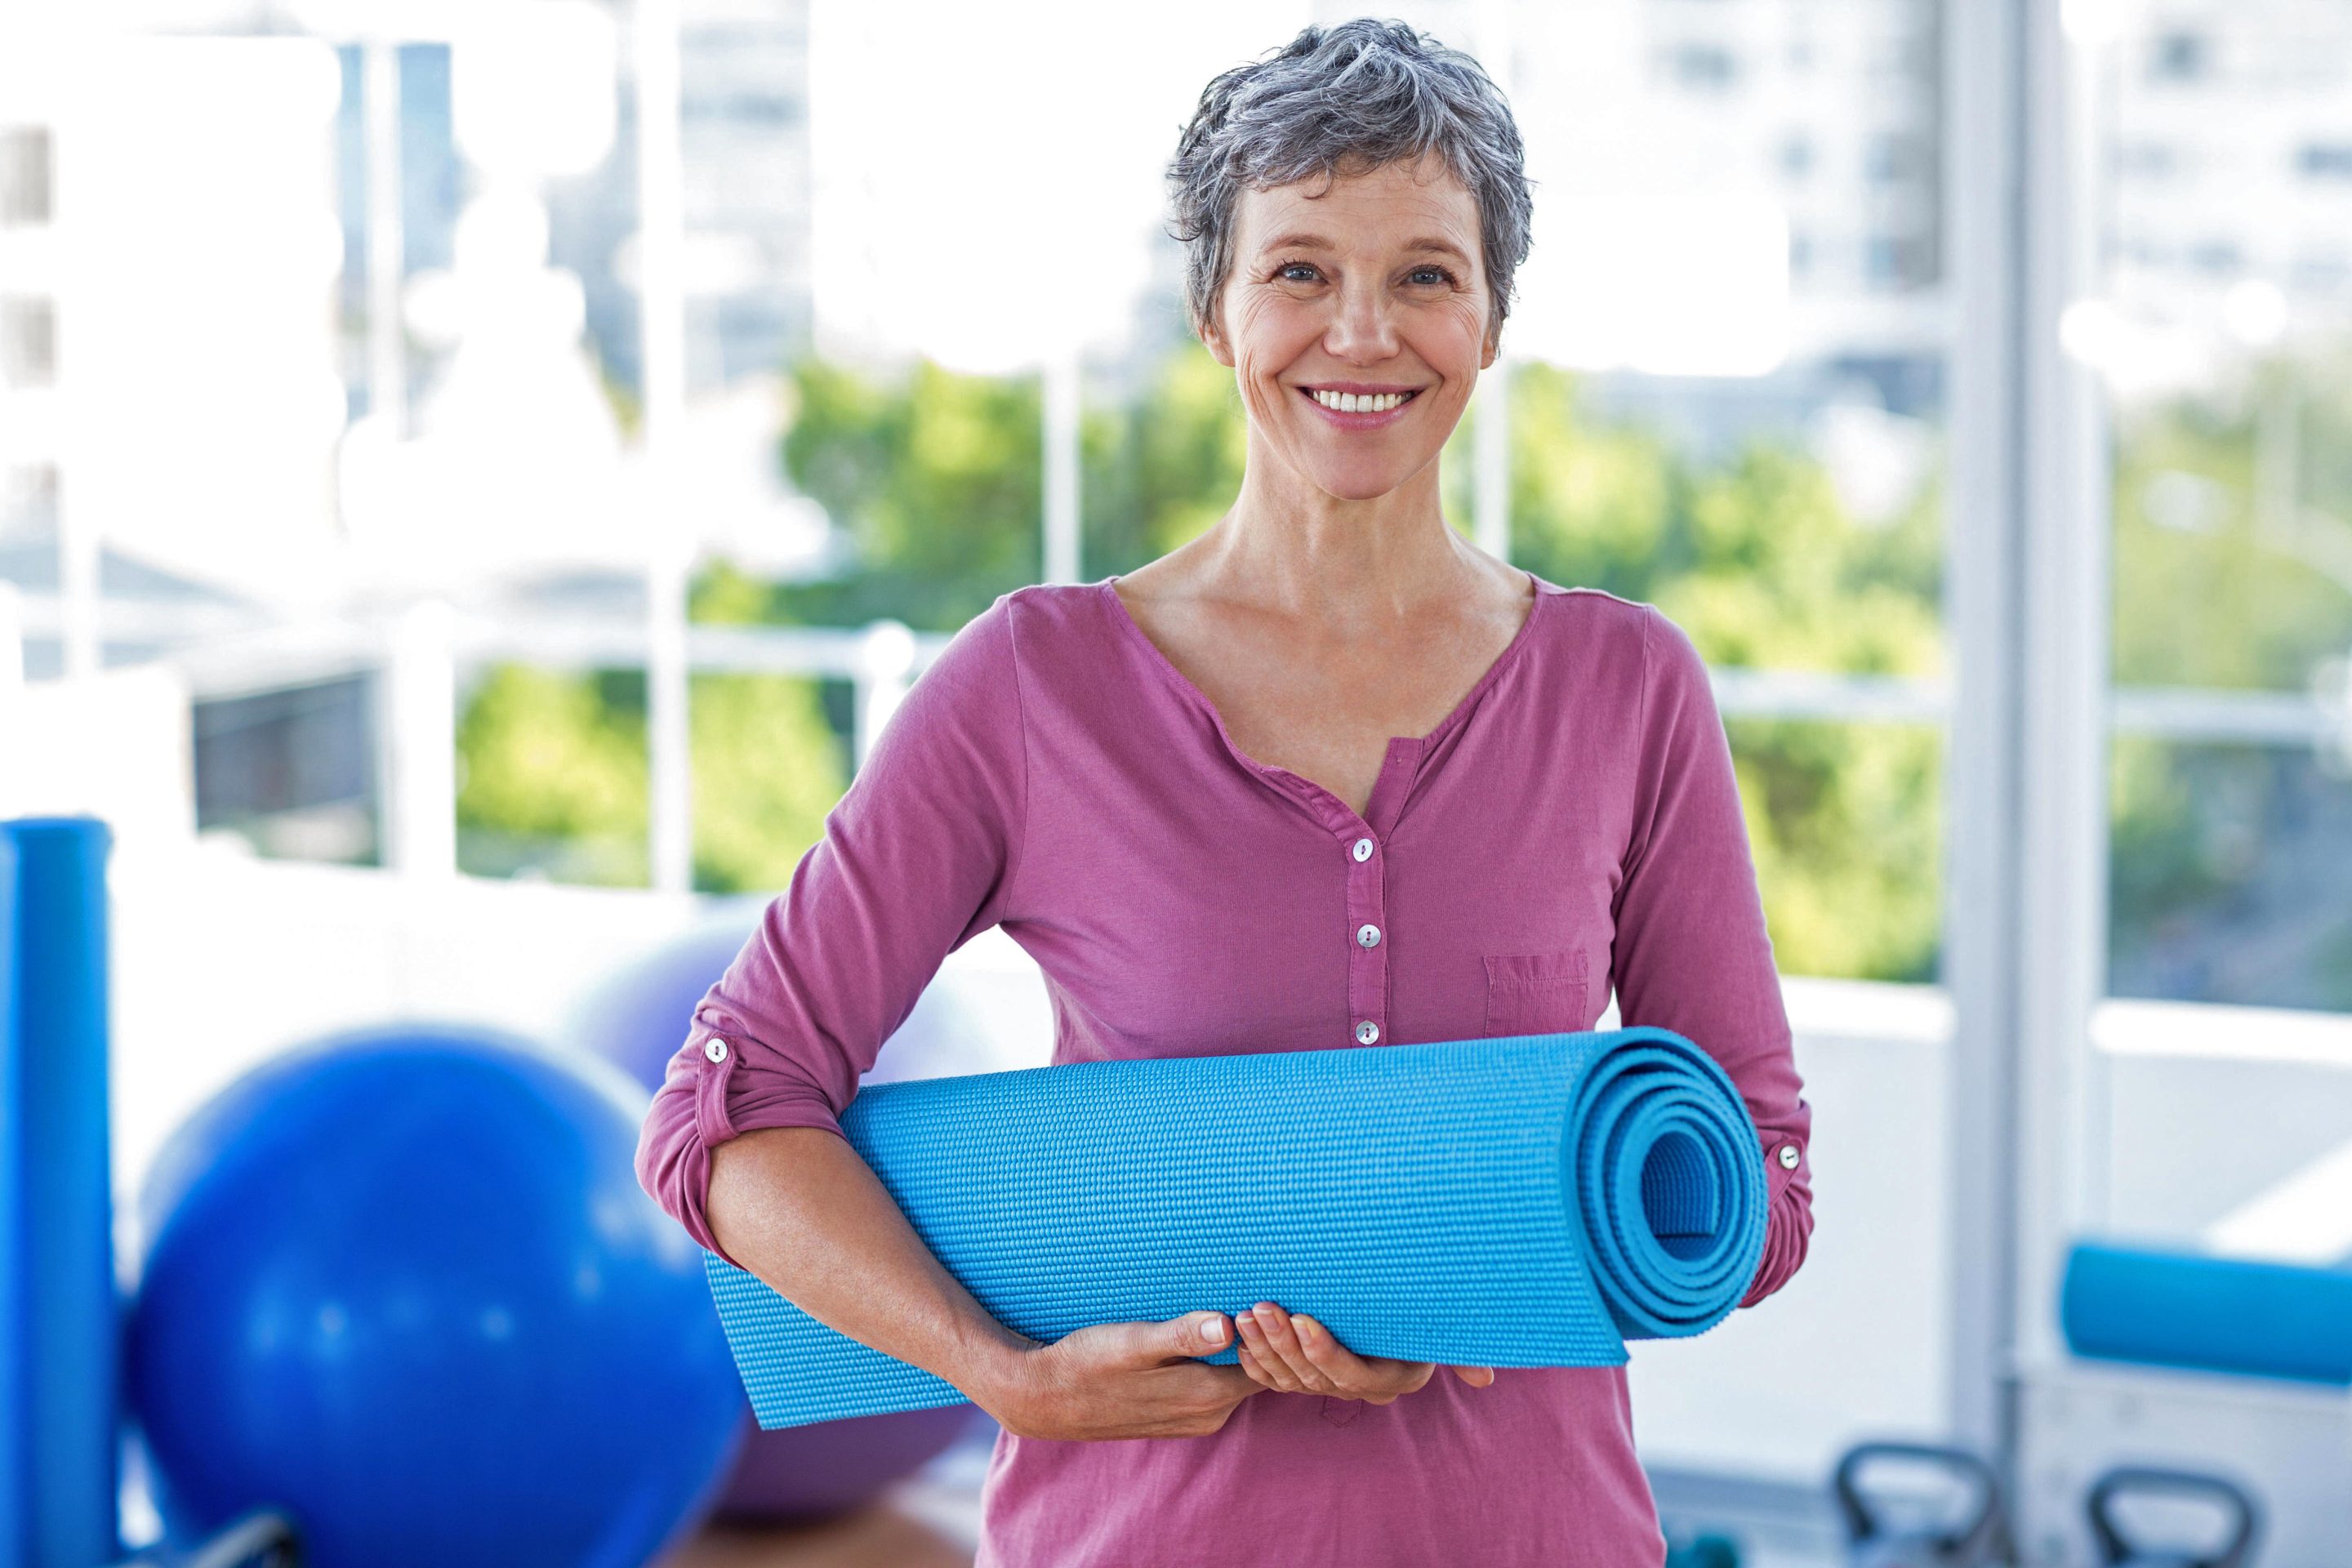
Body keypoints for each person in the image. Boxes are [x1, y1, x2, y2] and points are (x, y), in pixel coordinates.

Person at [636, 19, 1813, 1566]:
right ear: (1215, 308)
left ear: (1494, 315)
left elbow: (1760, 1184)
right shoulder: (1036, 687)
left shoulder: (1625, 689)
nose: (1363, 333)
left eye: (1427, 275)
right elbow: (724, 1114)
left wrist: (1478, 1300)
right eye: (1301, 270)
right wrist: (1007, 1378)